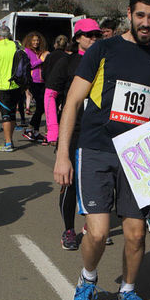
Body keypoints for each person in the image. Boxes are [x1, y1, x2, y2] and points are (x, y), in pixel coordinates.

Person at [54, 0, 150, 300]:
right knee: (99, 232)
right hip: (97, 148)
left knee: (135, 234)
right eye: (140, 15)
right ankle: (87, 279)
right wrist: (63, 155)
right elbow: (73, 101)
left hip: (138, 154)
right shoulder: (104, 48)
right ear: (129, 14)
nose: (146, 22)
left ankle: (128, 289)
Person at [47, 19, 102, 249]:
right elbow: (50, 94)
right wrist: (53, 130)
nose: (92, 38)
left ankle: (93, 225)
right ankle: (69, 229)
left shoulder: (104, 61)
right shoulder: (67, 62)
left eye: (96, 34)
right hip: (73, 130)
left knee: (97, 182)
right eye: (88, 34)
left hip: (98, 131)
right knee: (69, 183)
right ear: (77, 37)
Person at [41, 34, 71, 146]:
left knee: (50, 112)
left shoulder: (49, 56)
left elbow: (44, 72)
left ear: (55, 44)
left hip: (51, 86)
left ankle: (52, 135)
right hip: (62, 87)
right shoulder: (67, 57)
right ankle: (61, 134)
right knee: (61, 110)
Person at [21, 31, 48, 142]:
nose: (36, 42)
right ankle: (30, 128)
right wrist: (41, 60)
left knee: (41, 107)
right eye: (34, 40)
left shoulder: (39, 51)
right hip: (33, 82)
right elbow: (30, 65)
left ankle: (35, 131)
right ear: (29, 41)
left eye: (37, 40)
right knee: (40, 106)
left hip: (42, 81)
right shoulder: (27, 51)